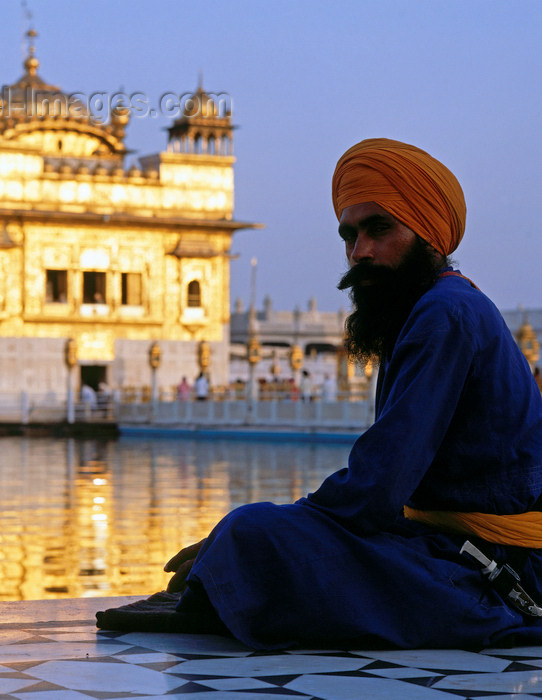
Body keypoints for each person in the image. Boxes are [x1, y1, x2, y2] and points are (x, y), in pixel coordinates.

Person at [97, 138, 542, 650]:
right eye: (349, 236)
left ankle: (229, 585)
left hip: (493, 572)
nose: (361, 252)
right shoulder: (427, 308)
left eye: (379, 229)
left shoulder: (445, 313)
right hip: (450, 547)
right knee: (253, 539)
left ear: (429, 234)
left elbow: (378, 484)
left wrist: (275, 528)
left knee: (251, 532)